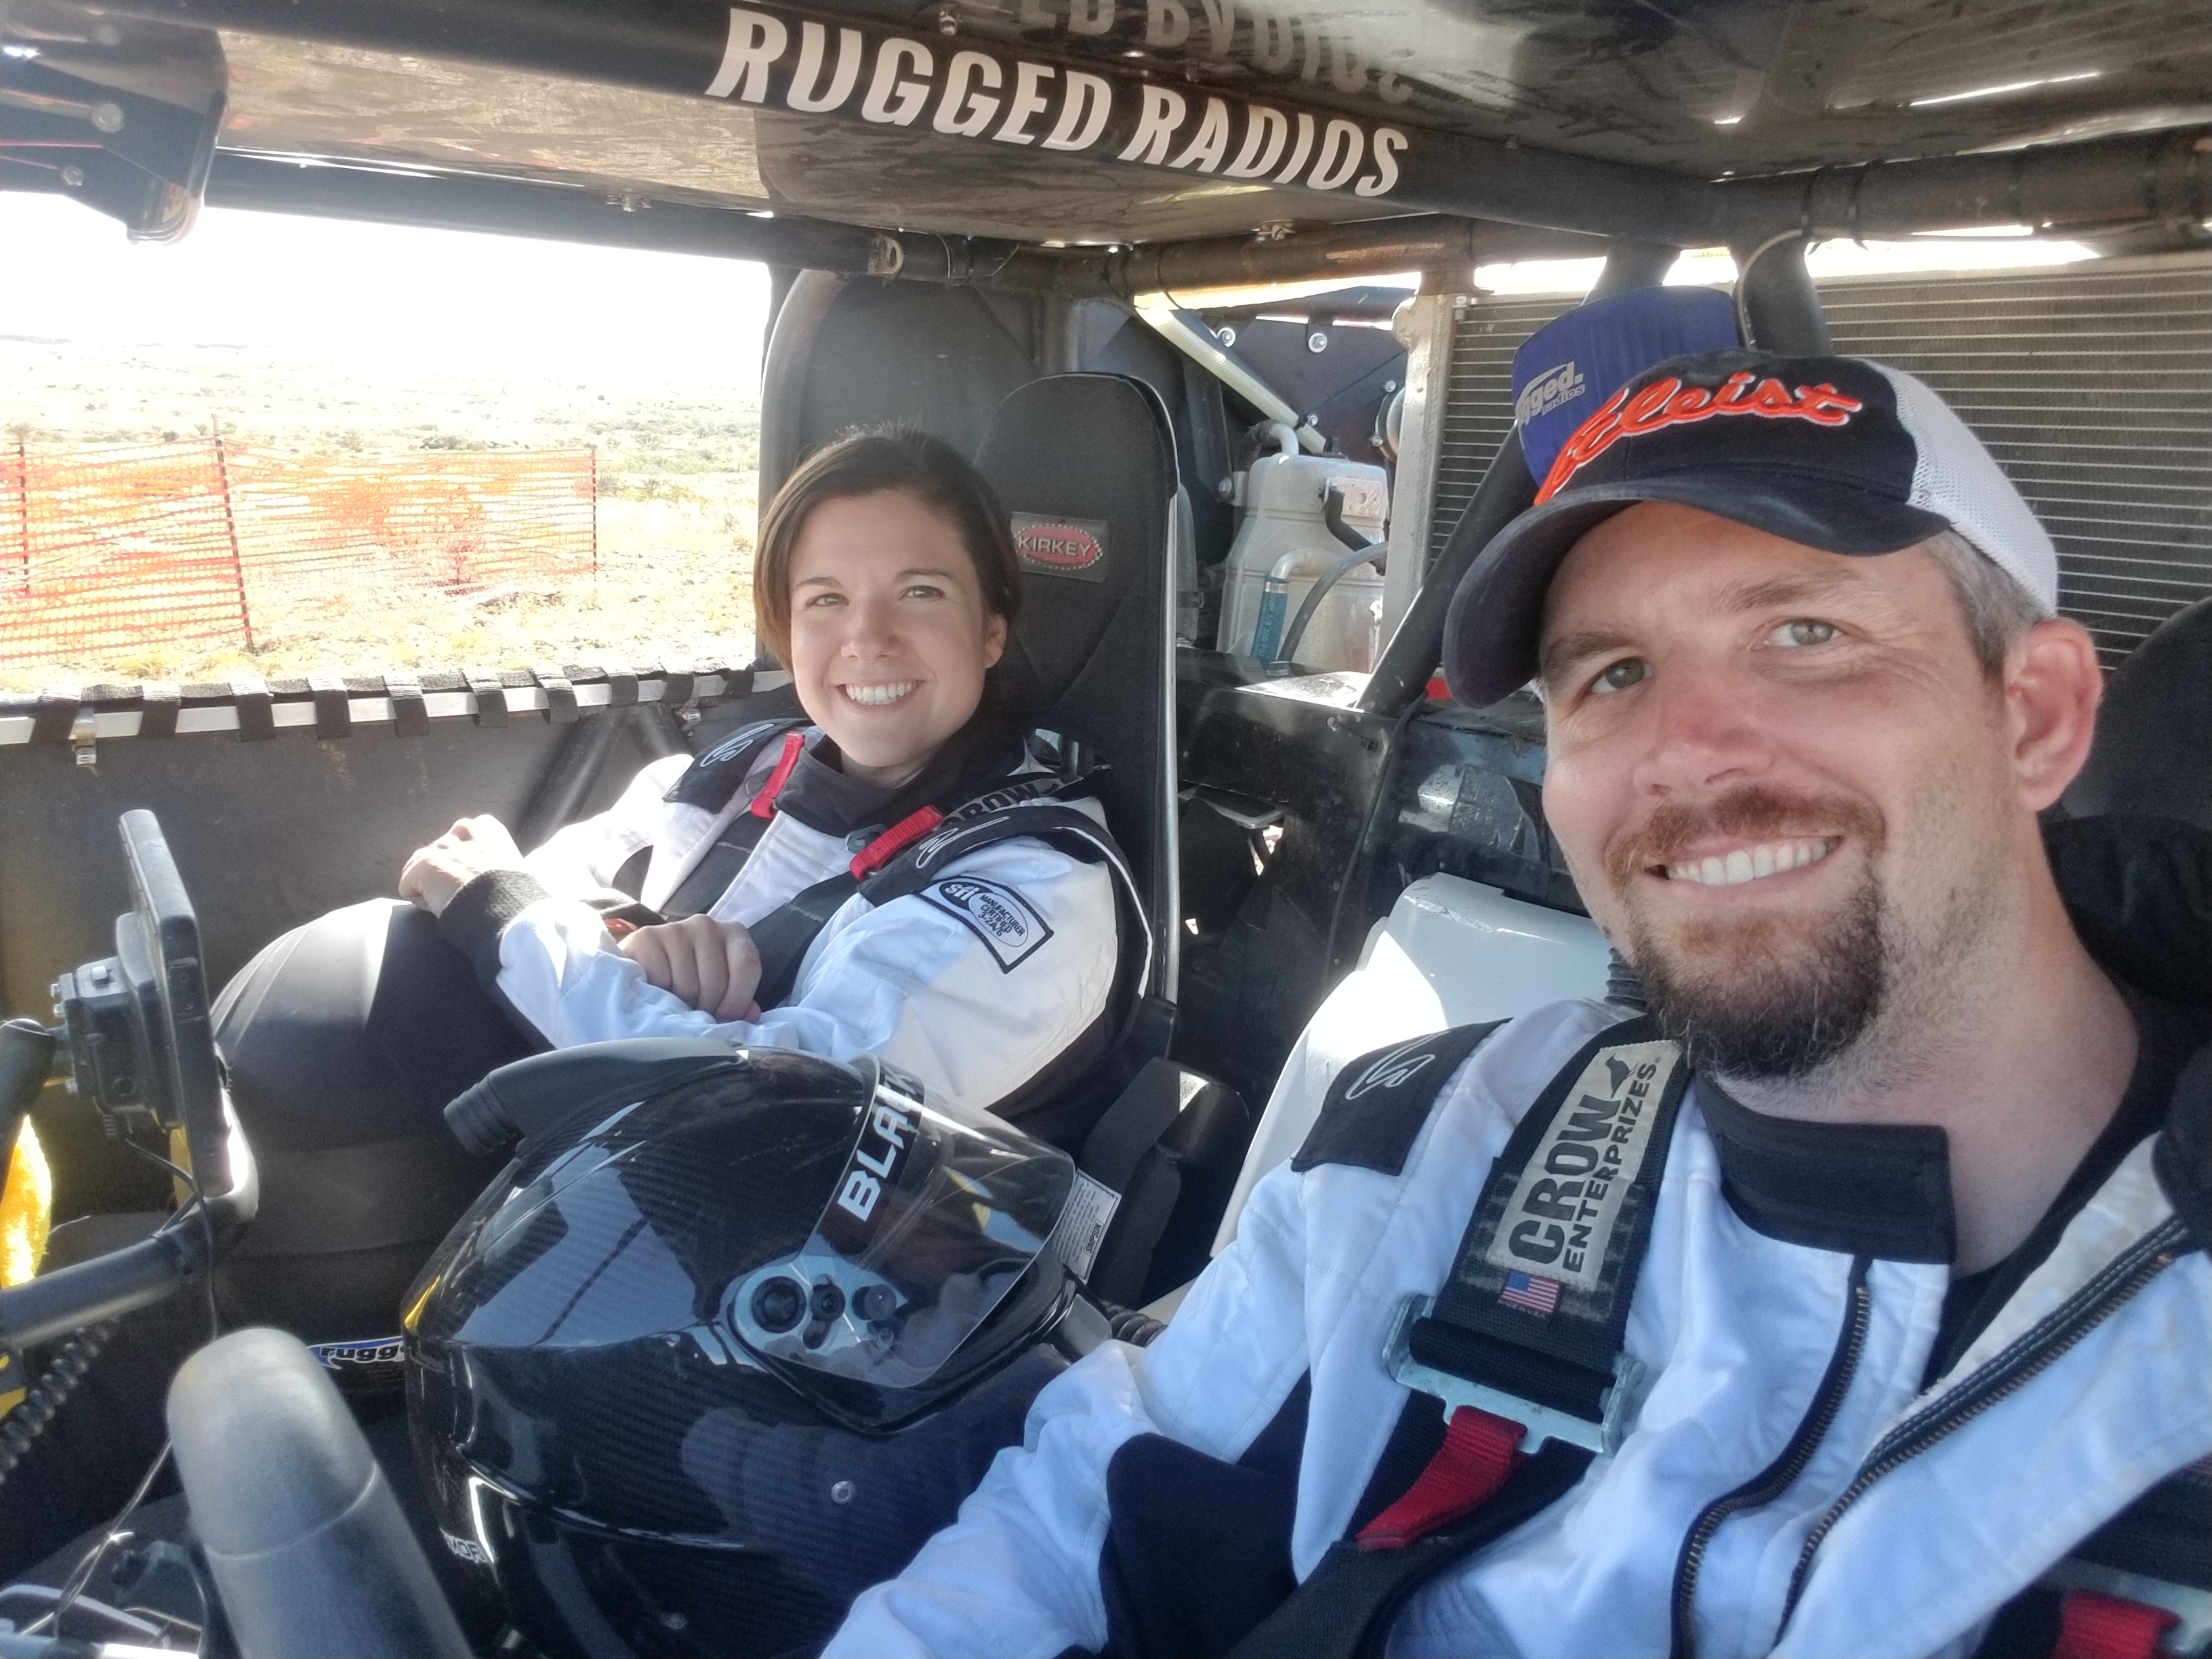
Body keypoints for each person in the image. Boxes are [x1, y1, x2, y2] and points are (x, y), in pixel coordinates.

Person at [825, 352, 2211, 1658]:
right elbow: (1076, 1517)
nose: (1686, 753)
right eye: (1611, 676)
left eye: (1805, 632)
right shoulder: (1437, 1134)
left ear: (2034, 716)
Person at [211, 426, 1128, 1343]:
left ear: (993, 627)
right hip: (621, 1230)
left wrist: (507, 914)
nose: (867, 639)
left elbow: (789, 1110)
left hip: (829, 1323)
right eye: (825, 600)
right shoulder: (734, 772)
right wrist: (634, 943)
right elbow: (551, 884)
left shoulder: (1037, 886)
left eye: (920, 593)